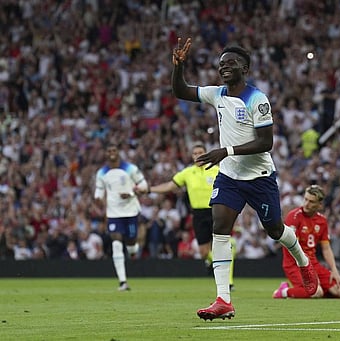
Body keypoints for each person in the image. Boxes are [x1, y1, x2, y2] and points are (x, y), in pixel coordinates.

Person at [172, 37, 319, 320]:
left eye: (231, 63)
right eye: (221, 64)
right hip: (230, 176)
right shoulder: (217, 94)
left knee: (275, 230)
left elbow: (266, 142)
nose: (224, 67)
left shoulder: (257, 99)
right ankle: (223, 299)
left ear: (245, 68)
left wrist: (224, 150)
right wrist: (178, 67)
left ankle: (303, 261)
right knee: (220, 226)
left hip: (259, 176)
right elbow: (181, 91)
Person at [135, 143, 235, 289]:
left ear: (206, 153)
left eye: (200, 152)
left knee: (223, 246)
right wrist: (149, 189)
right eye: (195, 153)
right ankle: (211, 262)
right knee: (203, 252)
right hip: (198, 215)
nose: (198, 155)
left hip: (215, 211)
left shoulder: (216, 170)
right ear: (192, 156)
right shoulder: (187, 173)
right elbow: (169, 186)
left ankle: (229, 281)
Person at [273, 185, 340, 299]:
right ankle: (283, 291)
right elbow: (289, 246)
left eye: (311, 201)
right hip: (295, 263)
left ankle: (311, 291)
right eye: (306, 199)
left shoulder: (322, 221)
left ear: (320, 205)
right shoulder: (294, 216)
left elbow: (326, 248)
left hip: (313, 264)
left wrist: (334, 270)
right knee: (316, 292)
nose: (306, 204)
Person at [94, 142, 149, 291]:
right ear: (106, 153)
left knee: (131, 245)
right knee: (116, 242)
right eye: (109, 150)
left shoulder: (130, 169)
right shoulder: (101, 173)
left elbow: (144, 186)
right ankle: (123, 282)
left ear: (118, 152)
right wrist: (98, 200)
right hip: (113, 213)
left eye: (114, 150)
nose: (111, 152)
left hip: (130, 211)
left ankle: (132, 251)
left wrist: (131, 193)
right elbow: (98, 193)